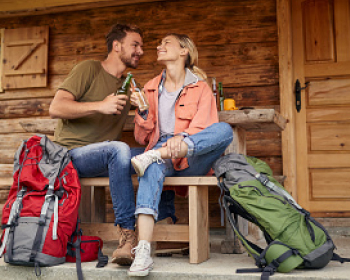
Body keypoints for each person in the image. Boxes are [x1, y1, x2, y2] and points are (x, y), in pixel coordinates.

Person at [128, 33, 233, 276]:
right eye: (159, 44)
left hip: (191, 154)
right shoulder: (151, 88)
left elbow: (205, 126)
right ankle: (142, 251)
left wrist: (183, 138)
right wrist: (143, 112)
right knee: (150, 164)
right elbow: (142, 139)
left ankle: (157, 154)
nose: (159, 46)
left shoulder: (201, 88)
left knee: (224, 131)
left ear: (184, 50)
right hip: (159, 154)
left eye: (166, 43)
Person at [49, 23, 144, 266]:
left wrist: (143, 107)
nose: (140, 51)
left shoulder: (129, 85)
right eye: (135, 45)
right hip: (70, 155)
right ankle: (127, 236)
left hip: (105, 157)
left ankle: (163, 225)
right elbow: (56, 108)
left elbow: (150, 123)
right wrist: (99, 105)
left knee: (155, 155)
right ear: (116, 45)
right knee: (118, 148)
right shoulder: (89, 68)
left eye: (141, 46)